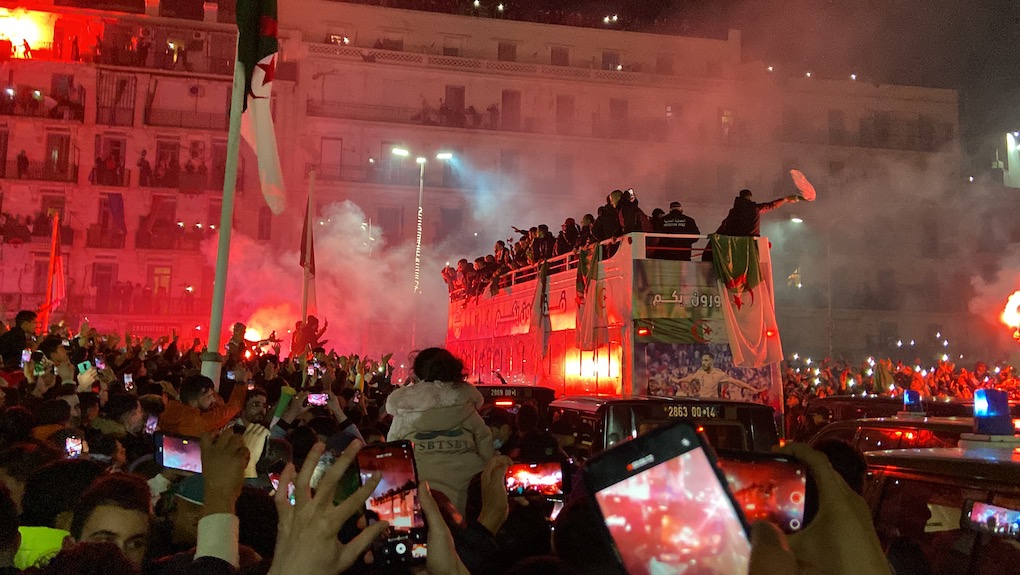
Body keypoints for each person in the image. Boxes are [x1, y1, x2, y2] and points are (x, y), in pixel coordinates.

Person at [385, 348, 494, 514]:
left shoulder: (405, 409)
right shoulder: (466, 405)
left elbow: (394, 455)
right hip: (465, 489)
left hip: (421, 492)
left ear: (418, 372)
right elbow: (486, 447)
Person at [159, 375, 246, 437]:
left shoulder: (170, 410)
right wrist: (241, 382)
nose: (214, 400)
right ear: (193, 403)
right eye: (209, 396)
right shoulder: (196, 422)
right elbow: (234, 406)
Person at [677, 352, 767, 399]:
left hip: (714, 403)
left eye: (706, 360)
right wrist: (679, 380)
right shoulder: (700, 373)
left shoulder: (719, 374)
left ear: (711, 362)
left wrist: (753, 389)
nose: (704, 362)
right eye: (703, 360)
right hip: (703, 402)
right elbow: (691, 378)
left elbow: (737, 382)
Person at [718, 188, 800, 237]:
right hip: (751, 240)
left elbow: (726, 224)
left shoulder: (733, 211)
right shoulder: (754, 208)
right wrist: (785, 200)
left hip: (734, 240)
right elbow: (771, 205)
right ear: (750, 196)